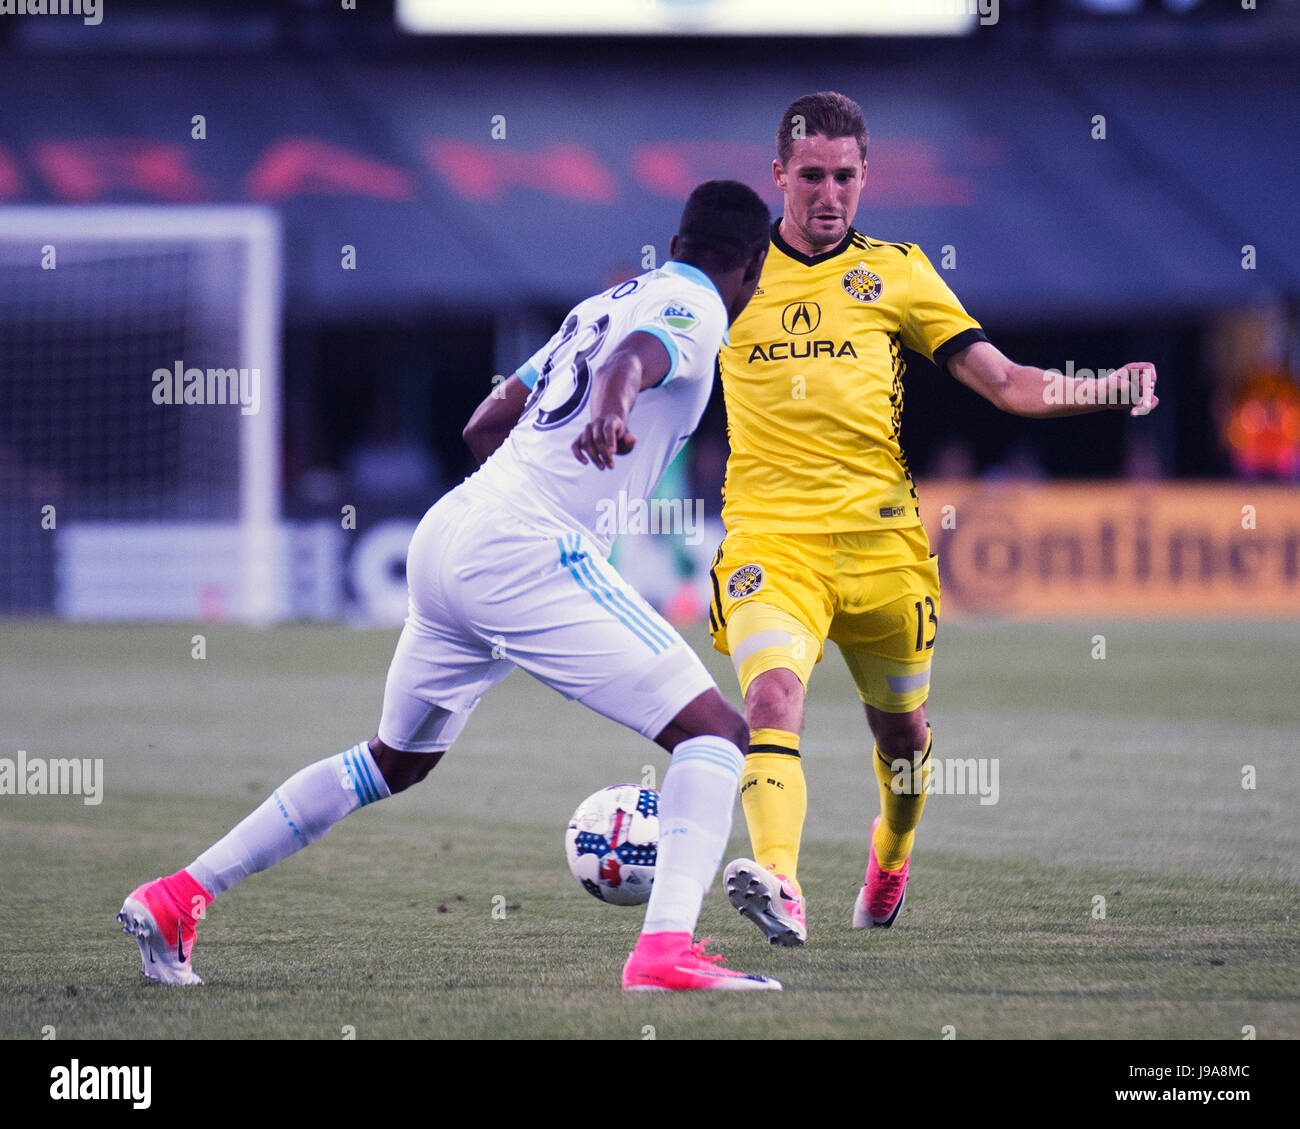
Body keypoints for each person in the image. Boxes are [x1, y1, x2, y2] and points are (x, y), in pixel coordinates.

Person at [118, 179, 782, 992]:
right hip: (527, 548)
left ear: (676, 243)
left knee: (390, 763)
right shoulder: (702, 305)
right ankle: (663, 953)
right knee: (716, 732)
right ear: (752, 265)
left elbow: (483, 423)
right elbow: (630, 364)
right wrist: (609, 411)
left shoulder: (603, 300)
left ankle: (178, 895)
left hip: (452, 532)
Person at [710, 92, 1159, 946]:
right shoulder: (733, 275)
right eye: (811, 176)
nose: (828, 194)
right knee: (771, 698)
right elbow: (655, 352)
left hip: (882, 547)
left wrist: (1104, 386)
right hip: (772, 541)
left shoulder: (900, 272)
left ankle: (893, 850)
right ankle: (782, 882)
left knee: (905, 739)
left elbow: (1006, 382)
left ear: (866, 176)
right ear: (778, 175)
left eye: (845, 176)